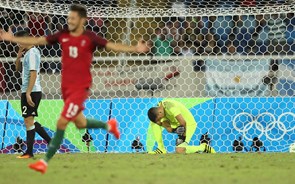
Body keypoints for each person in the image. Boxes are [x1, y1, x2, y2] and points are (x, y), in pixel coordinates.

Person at [0, 4, 149, 174]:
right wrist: (11, 39)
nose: (69, 20)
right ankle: (109, 125)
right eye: (68, 18)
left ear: (82, 20)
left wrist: (135, 49)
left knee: (61, 122)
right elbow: (38, 40)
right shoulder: (63, 35)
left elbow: (113, 46)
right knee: (80, 123)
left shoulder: (90, 38)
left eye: (73, 18)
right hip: (67, 87)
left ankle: (44, 162)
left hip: (81, 86)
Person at [14, 30, 51, 158]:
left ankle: (29, 152)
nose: (18, 43)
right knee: (29, 120)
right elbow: (17, 69)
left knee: (28, 120)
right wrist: (19, 56)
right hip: (28, 90)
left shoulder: (32, 53)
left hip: (32, 90)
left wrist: (28, 93)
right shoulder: (27, 53)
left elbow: (33, 74)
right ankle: (51, 143)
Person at [147, 99, 215, 154]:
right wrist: (175, 130)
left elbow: (183, 123)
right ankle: (161, 149)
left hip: (188, 124)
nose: (159, 121)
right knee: (154, 123)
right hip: (178, 125)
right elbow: (168, 128)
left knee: (179, 151)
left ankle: (203, 147)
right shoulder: (160, 109)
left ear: (160, 113)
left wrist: (182, 138)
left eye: (159, 119)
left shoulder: (170, 107)